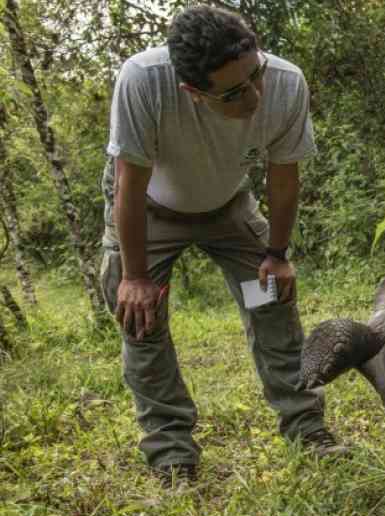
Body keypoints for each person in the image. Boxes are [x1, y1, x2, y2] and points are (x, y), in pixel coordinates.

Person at [99, 5, 347, 484]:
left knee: (269, 300)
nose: (254, 95)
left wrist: (276, 255)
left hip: (229, 208)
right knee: (142, 321)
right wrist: (134, 277)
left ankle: (307, 430)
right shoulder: (143, 81)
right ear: (192, 92)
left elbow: (282, 177)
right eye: (234, 92)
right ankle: (172, 455)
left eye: (256, 75)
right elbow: (128, 186)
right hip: (149, 212)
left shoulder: (286, 82)